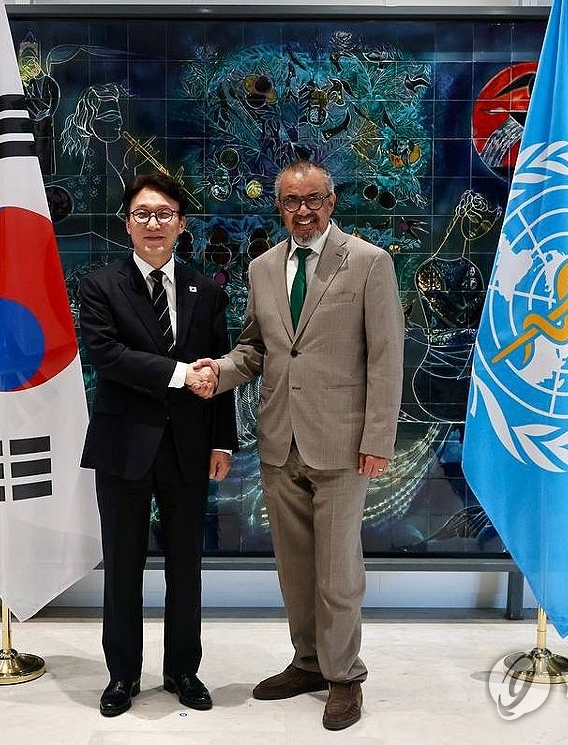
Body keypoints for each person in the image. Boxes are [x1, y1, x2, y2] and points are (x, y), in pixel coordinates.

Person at [194, 159, 404, 731]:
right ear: (280, 207)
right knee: (295, 568)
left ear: (331, 202)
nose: (303, 211)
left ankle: (343, 676)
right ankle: (308, 662)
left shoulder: (368, 263)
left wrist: (378, 438)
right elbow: (256, 349)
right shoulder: (263, 268)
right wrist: (219, 371)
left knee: (338, 571)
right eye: (292, 201)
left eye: (314, 199)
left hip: (343, 444)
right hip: (279, 440)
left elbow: (386, 358)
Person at [78, 172, 235, 717]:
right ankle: (122, 676)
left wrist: (224, 442)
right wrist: (177, 375)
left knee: (186, 566)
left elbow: (219, 374)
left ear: (181, 224)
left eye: (164, 213)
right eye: (143, 213)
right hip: (124, 447)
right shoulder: (99, 286)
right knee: (122, 565)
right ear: (127, 223)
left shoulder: (207, 290)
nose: (153, 223)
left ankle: (183, 670)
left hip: (190, 449)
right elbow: (107, 357)